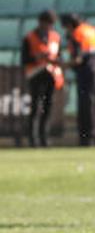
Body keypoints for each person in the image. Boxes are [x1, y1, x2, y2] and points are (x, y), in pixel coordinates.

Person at [60, 12, 95, 146]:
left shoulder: (76, 34)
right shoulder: (91, 30)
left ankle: (86, 138)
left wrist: (63, 65)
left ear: (69, 25)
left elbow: (77, 59)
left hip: (85, 72)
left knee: (85, 105)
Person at [21, 9, 62, 148]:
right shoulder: (29, 37)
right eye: (47, 24)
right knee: (35, 107)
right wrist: (37, 57)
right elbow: (24, 59)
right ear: (40, 23)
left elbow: (59, 56)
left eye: (51, 24)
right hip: (35, 74)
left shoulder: (56, 37)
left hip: (50, 75)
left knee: (48, 107)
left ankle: (45, 138)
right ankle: (33, 139)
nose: (49, 27)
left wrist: (54, 60)